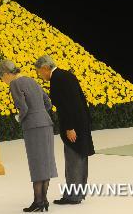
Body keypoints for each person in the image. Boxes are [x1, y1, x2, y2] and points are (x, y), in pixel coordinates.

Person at [0, 60, 57, 212]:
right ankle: (44, 201)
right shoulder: (31, 80)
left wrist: (19, 118)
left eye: (2, 78)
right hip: (46, 123)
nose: (3, 82)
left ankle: (38, 202)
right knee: (46, 162)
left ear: (6, 74)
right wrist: (40, 113)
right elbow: (48, 102)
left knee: (37, 163)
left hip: (33, 126)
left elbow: (23, 107)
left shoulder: (15, 84)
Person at [34, 55, 94, 205]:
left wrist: (69, 127)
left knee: (73, 160)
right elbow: (78, 101)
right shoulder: (66, 75)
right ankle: (77, 194)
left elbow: (67, 106)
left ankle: (72, 197)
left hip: (74, 126)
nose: (40, 76)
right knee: (80, 159)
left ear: (45, 68)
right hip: (81, 123)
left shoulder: (58, 79)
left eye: (39, 72)